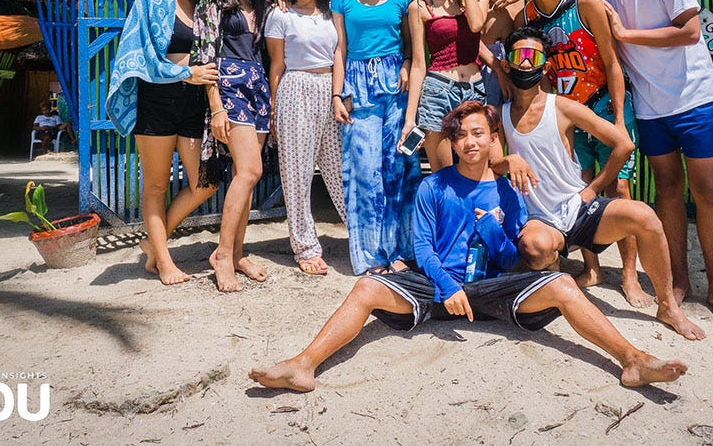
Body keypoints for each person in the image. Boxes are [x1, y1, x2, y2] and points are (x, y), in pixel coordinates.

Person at [249, 101, 689, 393]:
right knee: (366, 287)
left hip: (493, 289)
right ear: (453, 143)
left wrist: (494, 230)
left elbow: (511, 257)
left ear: (492, 139)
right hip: (439, 288)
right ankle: (303, 364)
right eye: (462, 136)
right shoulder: (434, 185)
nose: (471, 141)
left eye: (480, 133)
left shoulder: (508, 190)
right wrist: (443, 283)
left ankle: (633, 360)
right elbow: (422, 246)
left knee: (561, 283)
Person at [497, 27, 704, 340]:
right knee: (534, 247)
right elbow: (484, 163)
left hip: (579, 208)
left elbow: (623, 144)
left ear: (546, 65)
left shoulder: (562, 107)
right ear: (507, 64)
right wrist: (506, 161)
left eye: (534, 56)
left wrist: (592, 189)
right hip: (541, 220)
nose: (526, 64)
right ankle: (556, 275)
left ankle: (667, 306)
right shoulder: (499, 115)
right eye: (519, 56)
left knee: (645, 216)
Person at [590, 0, 713, 324]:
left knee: (708, 191)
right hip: (652, 108)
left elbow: (690, 31)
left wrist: (625, 33)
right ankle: (679, 280)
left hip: (695, 99)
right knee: (667, 192)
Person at [513, 0, 652, 308]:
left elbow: (611, 61)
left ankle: (628, 275)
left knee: (619, 191)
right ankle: (592, 268)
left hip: (603, 106)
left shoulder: (586, 1)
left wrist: (622, 119)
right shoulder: (527, 15)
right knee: (580, 192)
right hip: (566, 116)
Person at [106, 0, 221, 285]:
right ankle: (166, 263)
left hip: (194, 102)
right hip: (156, 99)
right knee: (156, 187)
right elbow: (137, 55)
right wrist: (186, 72)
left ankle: (153, 246)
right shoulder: (149, 0)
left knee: (207, 182)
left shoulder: (205, 5)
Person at [331, 0, 422, 275]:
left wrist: (409, 62)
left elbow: (413, 43)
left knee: (400, 166)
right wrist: (338, 94)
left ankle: (401, 250)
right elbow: (340, 48)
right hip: (357, 84)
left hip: (396, 85)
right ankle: (370, 256)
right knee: (365, 170)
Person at [192, 0, 274, 292]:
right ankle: (222, 254)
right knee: (250, 170)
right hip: (228, 84)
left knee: (248, 174)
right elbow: (205, 55)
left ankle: (238, 252)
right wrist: (216, 108)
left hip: (257, 88)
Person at [265, 0, 347, 275]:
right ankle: (305, 245)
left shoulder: (332, 12)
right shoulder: (280, 15)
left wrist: (337, 94)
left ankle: (360, 236)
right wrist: (273, 109)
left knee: (341, 169)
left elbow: (340, 52)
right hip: (295, 90)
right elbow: (276, 65)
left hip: (330, 91)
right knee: (297, 173)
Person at [400, 0, 488, 171]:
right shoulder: (419, 6)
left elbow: (476, 24)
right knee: (443, 174)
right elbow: (419, 64)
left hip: (474, 89)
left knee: (475, 170)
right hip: (437, 89)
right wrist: (410, 119)